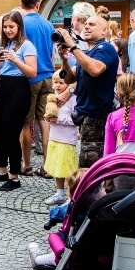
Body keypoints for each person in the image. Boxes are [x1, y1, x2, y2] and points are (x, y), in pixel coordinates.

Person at [0, 11, 37, 191]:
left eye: (11, 27)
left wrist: (15, 59)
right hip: (3, 87)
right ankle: (1, 171)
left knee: (10, 134)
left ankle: (14, 177)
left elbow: (32, 72)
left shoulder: (27, 45)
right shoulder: (6, 45)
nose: (7, 30)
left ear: (19, 27)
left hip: (18, 88)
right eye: (5, 27)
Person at [54, 15, 118, 167]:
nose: (87, 26)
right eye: (86, 24)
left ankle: (95, 190)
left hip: (96, 115)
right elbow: (69, 79)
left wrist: (73, 46)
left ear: (104, 31)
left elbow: (95, 70)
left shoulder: (105, 48)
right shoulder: (88, 53)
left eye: (92, 24)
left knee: (90, 164)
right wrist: (64, 59)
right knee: (87, 160)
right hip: (86, 114)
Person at [18, 0, 56, 177]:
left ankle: (26, 164)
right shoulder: (48, 25)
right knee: (45, 122)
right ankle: (48, 165)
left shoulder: (21, 24)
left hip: (28, 78)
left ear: (21, 3)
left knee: (25, 123)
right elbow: (51, 53)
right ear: (38, 5)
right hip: (47, 76)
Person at [43, 71, 78, 205]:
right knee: (58, 167)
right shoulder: (53, 98)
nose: (57, 85)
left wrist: (58, 119)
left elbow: (75, 120)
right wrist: (48, 119)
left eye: (61, 83)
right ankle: (59, 192)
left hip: (67, 140)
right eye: (55, 82)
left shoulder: (72, 99)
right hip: (55, 138)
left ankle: (71, 195)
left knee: (68, 170)